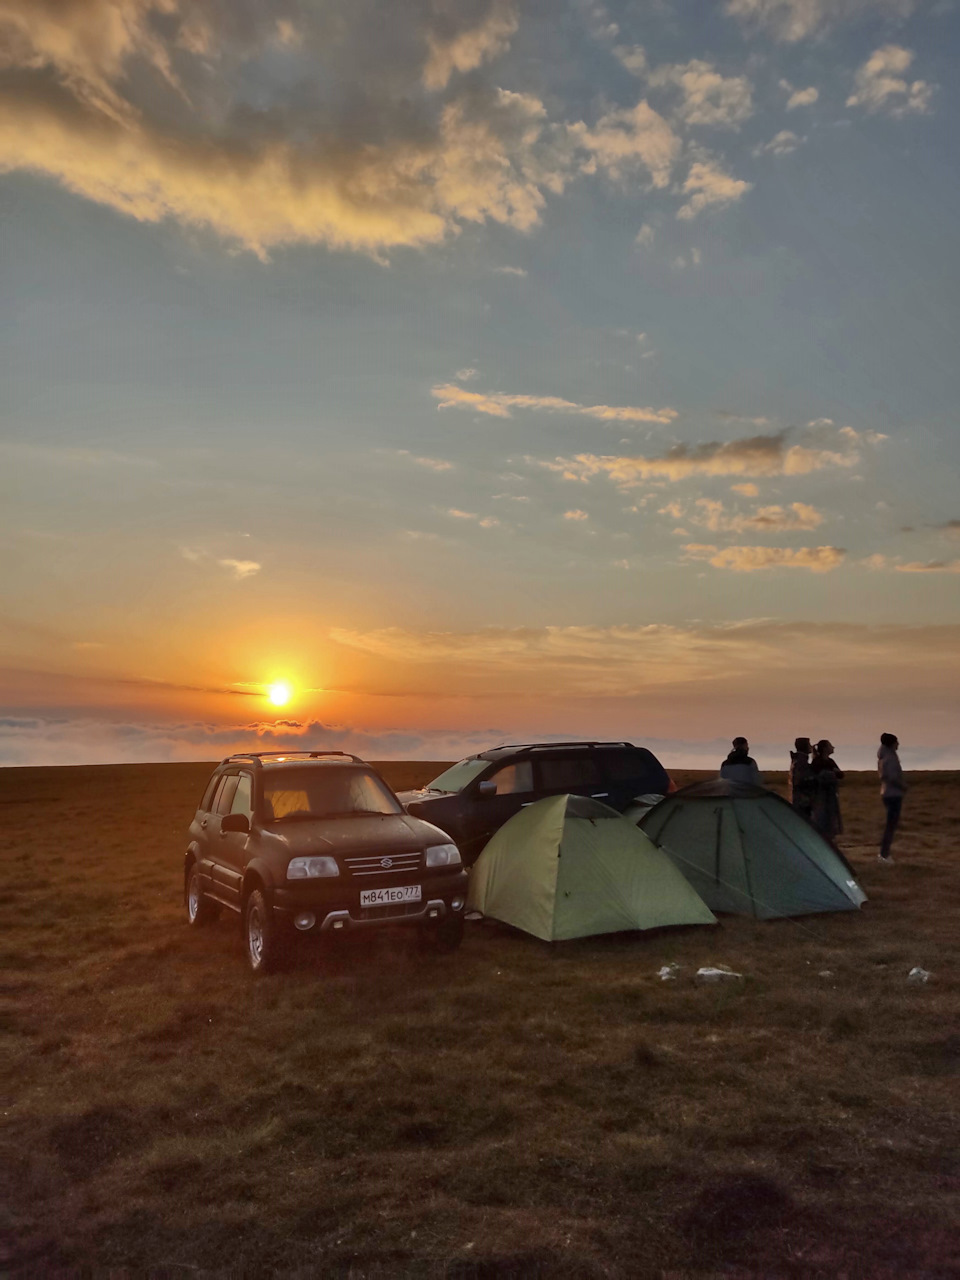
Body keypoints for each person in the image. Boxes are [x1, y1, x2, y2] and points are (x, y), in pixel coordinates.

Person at [877, 732, 906, 863]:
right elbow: (893, 777)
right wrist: (903, 786)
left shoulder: (883, 757)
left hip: (886, 793)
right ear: (892, 743)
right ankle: (884, 855)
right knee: (891, 825)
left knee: (890, 824)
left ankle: (884, 853)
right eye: (897, 742)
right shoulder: (891, 758)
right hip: (894, 794)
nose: (898, 744)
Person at [809, 739, 843, 846]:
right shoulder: (820, 762)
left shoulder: (827, 761)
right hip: (823, 795)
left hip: (829, 795)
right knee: (824, 816)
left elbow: (841, 775)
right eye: (830, 746)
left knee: (829, 817)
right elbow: (839, 774)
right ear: (825, 749)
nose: (833, 748)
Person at [788, 737, 814, 820]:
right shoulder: (801, 762)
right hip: (803, 801)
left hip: (799, 799)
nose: (811, 746)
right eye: (809, 744)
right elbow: (802, 780)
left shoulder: (797, 760)